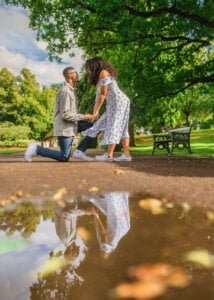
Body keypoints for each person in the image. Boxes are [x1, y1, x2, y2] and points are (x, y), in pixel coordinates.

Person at [24, 67, 95, 162]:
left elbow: (72, 113)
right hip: (65, 127)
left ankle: (79, 151)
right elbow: (65, 114)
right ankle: (36, 149)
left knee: (96, 127)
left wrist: (85, 118)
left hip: (73, 125)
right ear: (69, 75)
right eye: (75, 73)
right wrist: (84, 116)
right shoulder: (65, 91)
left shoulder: (71, 91)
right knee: (64, 157)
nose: (78, 75)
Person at [72, 57, 132, 162]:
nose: (88, 70)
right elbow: (98, 97)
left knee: (114, 125)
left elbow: (103, 95)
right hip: (117, 103)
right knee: (121, 128)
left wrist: (95, 112)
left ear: (94, 65)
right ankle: (127, 156)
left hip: (118, 103)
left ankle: (109, 155)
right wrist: (96, 112)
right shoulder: (101, 76)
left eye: (88, 68)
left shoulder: (104, 73)